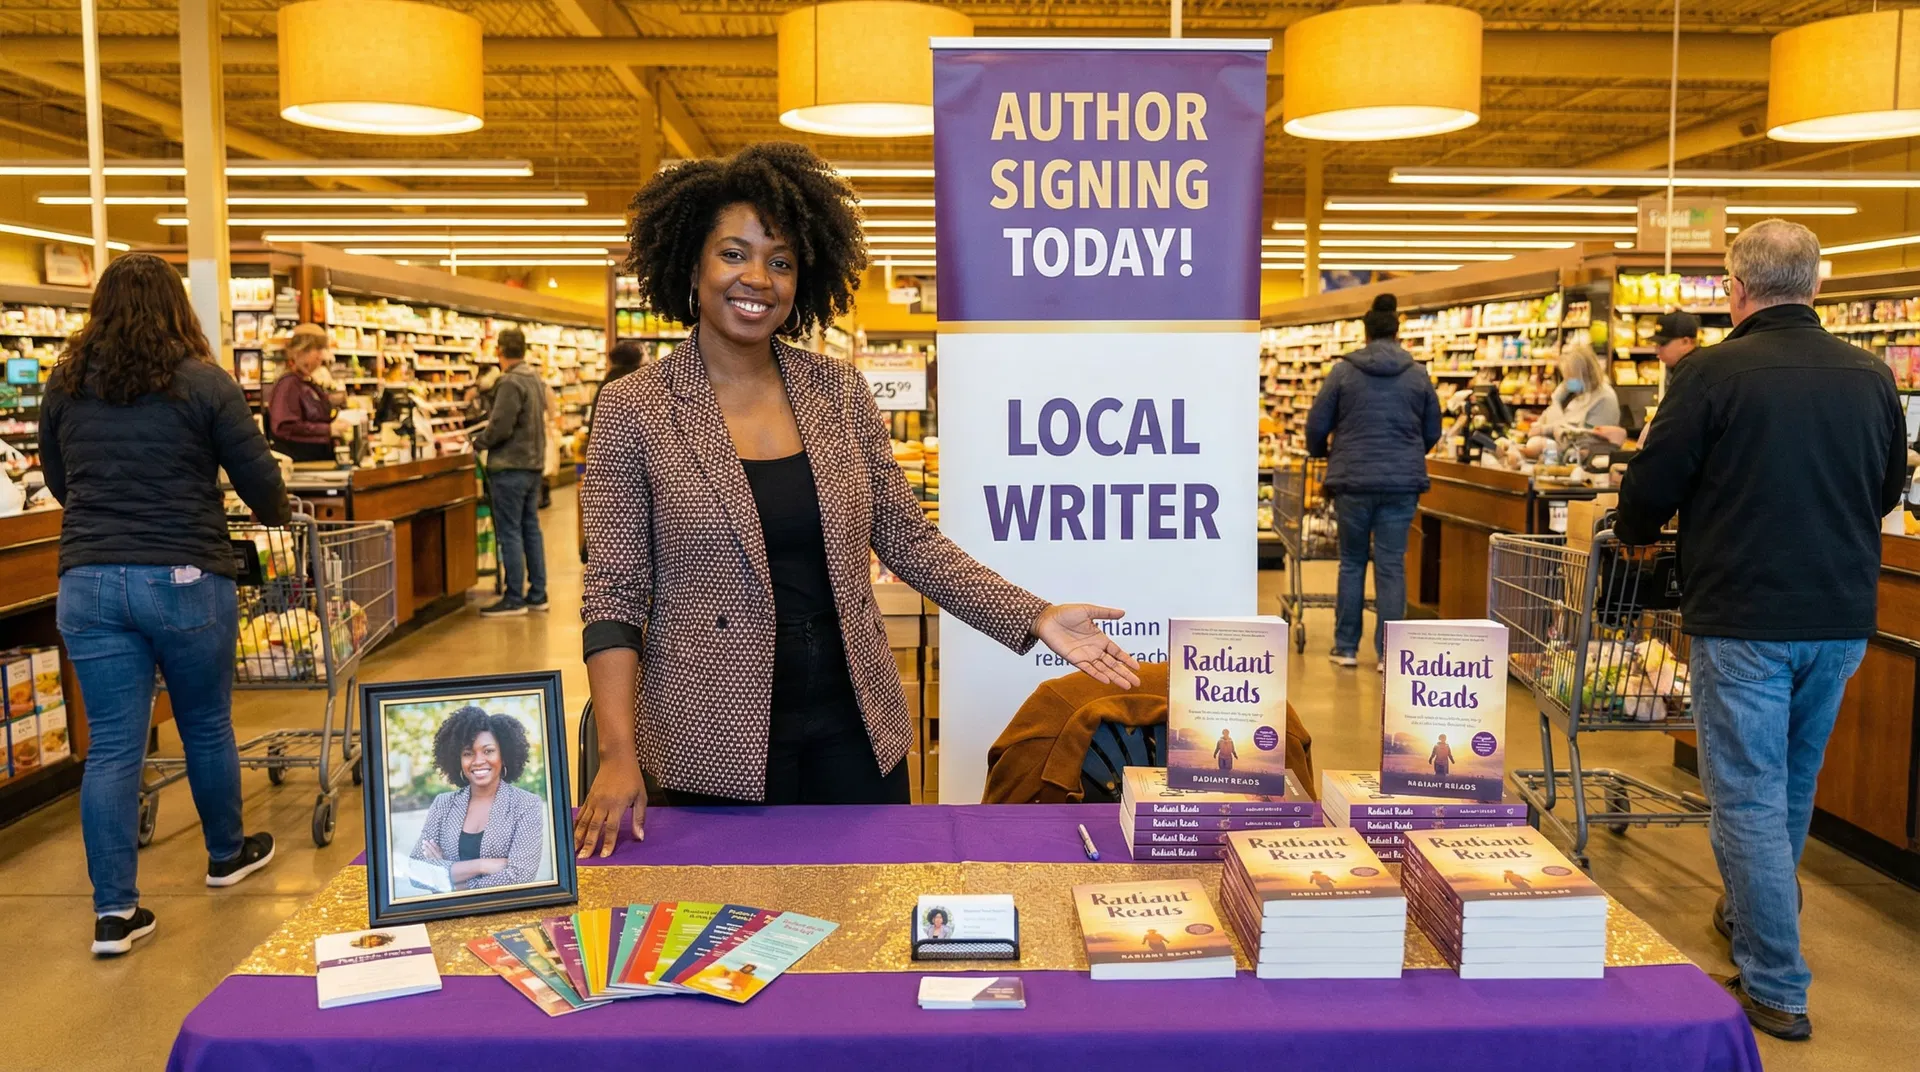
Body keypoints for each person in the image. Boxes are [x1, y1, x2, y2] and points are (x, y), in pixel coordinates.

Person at [573, 143, 1140, 849]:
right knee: (732, 924)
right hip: (708, 729)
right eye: (733, 254)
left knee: (871, 906)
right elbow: (616, 595)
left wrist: (1037, 616)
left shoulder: (838, 393)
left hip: (854, 721)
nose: (757, 278)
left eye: (780, 262)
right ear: (692, 264)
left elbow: (909, 540)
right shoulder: (636, 408)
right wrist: (618, 754)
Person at [1615, 219, 1907, 1043]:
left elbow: (1652, 484)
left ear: (1737, 292)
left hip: (1744, 612)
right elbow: (1887, 487)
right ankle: (1752, 916)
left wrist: (1641, 526)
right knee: (1788, 785)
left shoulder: (1709, 373)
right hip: (1840, 614)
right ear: (1815, 286)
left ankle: (1775, 982)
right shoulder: (1870, 376)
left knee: (1743, 794)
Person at [39, 252, 289, 956]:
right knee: (205, 723)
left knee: (114, 746)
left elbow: (60, 481)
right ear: (177, 308)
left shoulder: (63, 385)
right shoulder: (204, 383)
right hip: (184, 574)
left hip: (87, 579)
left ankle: (114, 914)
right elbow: (262, 486)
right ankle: (225, 855)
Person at [1305, 292, 1442, 670]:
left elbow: (1317, 423)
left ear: (1365, 334)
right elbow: (1433, 429)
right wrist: (1409, 452)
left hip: (1352, 481)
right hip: (1401, 484)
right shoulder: (1418, 374)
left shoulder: (1343, 372)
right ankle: (1389, 654)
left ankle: (1346, 647)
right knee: (1391, 565)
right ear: (1397, 333)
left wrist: (1320, 451)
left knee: (1351, 562)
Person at [408, 705, 547, 891]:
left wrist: (450, 881)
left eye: (488, 751)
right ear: (458, 760)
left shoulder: (526, 805)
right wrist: (481, 865)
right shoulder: (443, 804)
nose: (478, 760)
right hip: (448, 916)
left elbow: (520, 875)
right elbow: (416, 871)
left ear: (504, 756)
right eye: (468, 753)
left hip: (502, 914)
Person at [472, 327, 549, 617]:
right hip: (532, 465)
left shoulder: (510, 382)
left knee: (510, 532)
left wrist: (478, 441)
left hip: (510, 466)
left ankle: (514, 597)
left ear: (500, 351)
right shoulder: (534, 378)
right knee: (531, 529)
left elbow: (501, 426)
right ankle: (538, 593)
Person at [266, 323, 343, 463]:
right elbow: (283, 427)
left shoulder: (305, 382)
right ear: (300, 351)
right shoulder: (288, 384)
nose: (321, 356)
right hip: (301, 467)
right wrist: (327, 430)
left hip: (315, 464)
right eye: (318, 350)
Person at [1532, 341, 1620, 439]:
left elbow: (1586, 435)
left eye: (1571, 376)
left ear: (1586, 373)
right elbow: (1550, 413)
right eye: (1566, 376)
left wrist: (1545, 430)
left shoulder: (1605, 398)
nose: (1567, 381)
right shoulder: (1568, 391)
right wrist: (1539, 424)